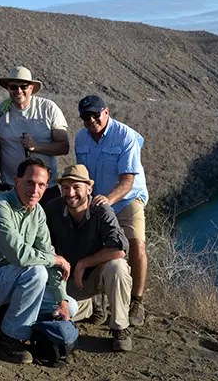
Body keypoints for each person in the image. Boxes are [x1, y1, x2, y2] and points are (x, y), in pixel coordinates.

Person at [0, 157, 76, 364]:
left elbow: (46, 252)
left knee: (70, 306)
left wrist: (62, 300)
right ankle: (9, 339)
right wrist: (54, 259)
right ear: (16, 181)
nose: (35, 190)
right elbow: (20, 256)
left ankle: (9, 316)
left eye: (41, 185)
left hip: (10, 283)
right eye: (29, 182)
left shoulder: (38, 212)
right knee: (36, 272)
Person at [74, 95, 150, 326]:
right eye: (86, 117)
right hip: (96, 198)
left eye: (95, 115)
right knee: (90, 243)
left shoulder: (125, 136)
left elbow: (127, 180)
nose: (91, 120)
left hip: (126, 198)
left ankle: (136, 301)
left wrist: (107, 200)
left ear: (106, 111)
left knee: (135, 243)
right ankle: (98, 302)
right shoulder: (81, 138)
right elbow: (83, 175)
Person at [44, 165, 133, 352]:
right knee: (47, 316)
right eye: (66, 187)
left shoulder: (102, 210)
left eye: (77, 187)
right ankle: (90, 306)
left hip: (94, 277)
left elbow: (119, 249)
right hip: (64, 279)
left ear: (89, 189)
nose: (71, 193)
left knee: (118, 267)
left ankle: (120, 329)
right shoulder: (53, 208)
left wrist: (84, 263)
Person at [0, 67, 68, 207]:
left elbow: (64, 146)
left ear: (32, 88)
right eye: (14, 87)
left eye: (24, 86)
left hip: (44, 188)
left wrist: (36, 146)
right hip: (11, 187)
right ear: (8, 88)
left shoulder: (48, 108)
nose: (19, 91)